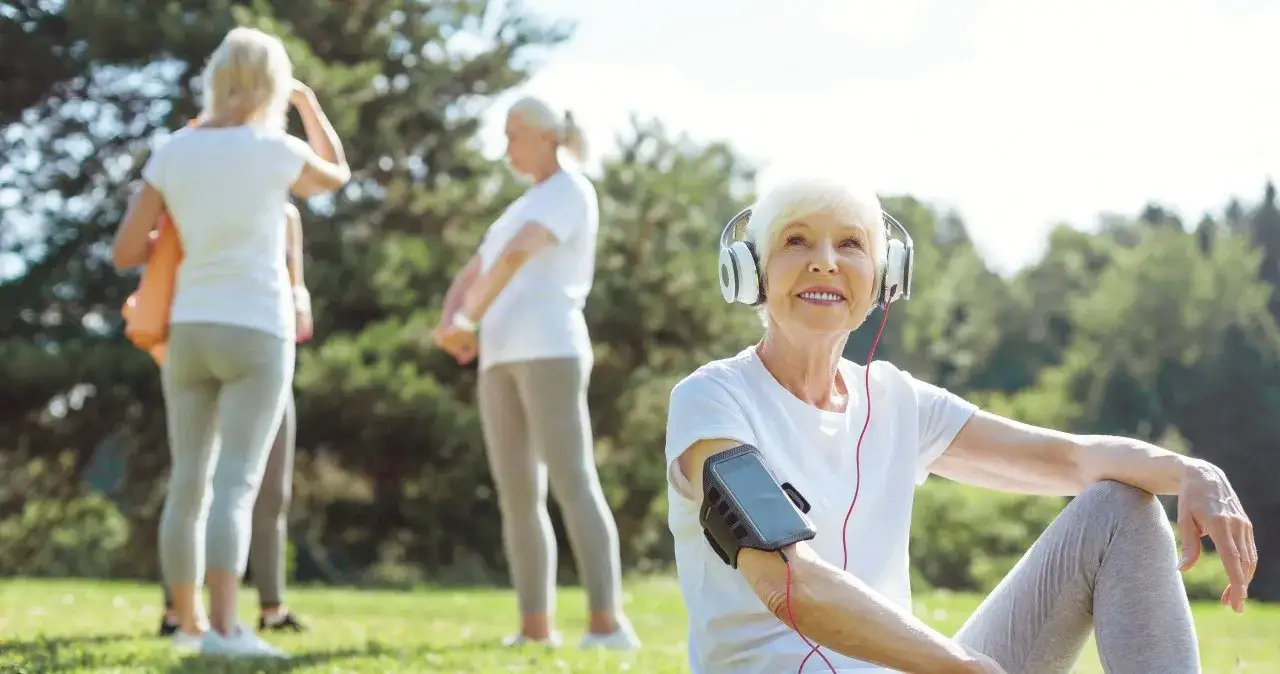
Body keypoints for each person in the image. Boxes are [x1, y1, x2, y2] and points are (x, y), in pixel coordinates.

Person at [664, 176, 1257, 673]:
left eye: (850, 244)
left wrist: (1190, 471)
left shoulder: (898, 399)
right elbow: (786, 581)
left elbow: (1069, 460)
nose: (825, 260)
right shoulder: (711, 401)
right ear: (751, 273)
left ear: (882, 279)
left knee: (1119, 509)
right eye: (797, 241)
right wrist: (961, 666)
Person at [111, 26, 350, 658]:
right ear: (271, 85)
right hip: (257, 329)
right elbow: (337, 177)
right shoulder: (276, 149)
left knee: (187, 480)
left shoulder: (174, 151)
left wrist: (188, 233)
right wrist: (306, 105)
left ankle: (186, 625)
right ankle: (225, 630)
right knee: (236, 485)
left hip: (189, 328)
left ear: (216, 77)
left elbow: (126, 251)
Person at [432, 95, 640, 651]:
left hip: (550, 349)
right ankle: (534, 629)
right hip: (499, 357)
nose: (505, 148)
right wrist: (450, 320)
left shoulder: (571, 190)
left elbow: (520, 255)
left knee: (573, 482)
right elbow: (476, 267)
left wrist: (469, 316)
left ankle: (607, 624)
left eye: (513, 135)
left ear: (547, 136)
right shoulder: (516, 207)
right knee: (517, 494)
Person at [157, 203, 312, 637]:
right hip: (204, 340)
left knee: (267, 488)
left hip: (265, 346)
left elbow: (296, 279)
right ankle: (183, 613)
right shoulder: (199, 194)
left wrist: (299, 299)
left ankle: (271, 606)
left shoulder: (284, 212)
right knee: (196, 483)